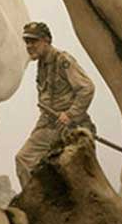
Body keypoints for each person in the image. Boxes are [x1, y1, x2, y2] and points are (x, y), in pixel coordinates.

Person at [16, 22, 96, 188]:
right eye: (27, 42)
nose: (29, 46)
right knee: (25, 160)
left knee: (77, 178)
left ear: (46, 41)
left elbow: (87, 88)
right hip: (49, 125)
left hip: (71, 127)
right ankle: (37, 200)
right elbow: (47, 103)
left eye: (34, 41)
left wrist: (70, 114)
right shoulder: (42, 64)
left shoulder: (62, 60)